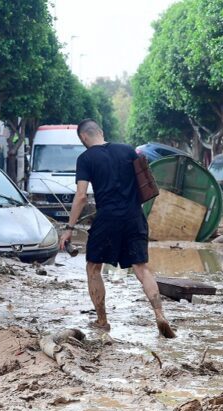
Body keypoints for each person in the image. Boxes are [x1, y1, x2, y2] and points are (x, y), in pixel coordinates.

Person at [59, 119, 176, 338]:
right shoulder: (128, 150)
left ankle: (102, 321)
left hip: (107, 219)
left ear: (83, 137)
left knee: (94, 268)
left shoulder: (85, 158)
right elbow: (146, 183)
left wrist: (69, 228)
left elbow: (82, 196)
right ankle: (160, 315)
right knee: (142, 269)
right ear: (100, 132)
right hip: (134, 216)